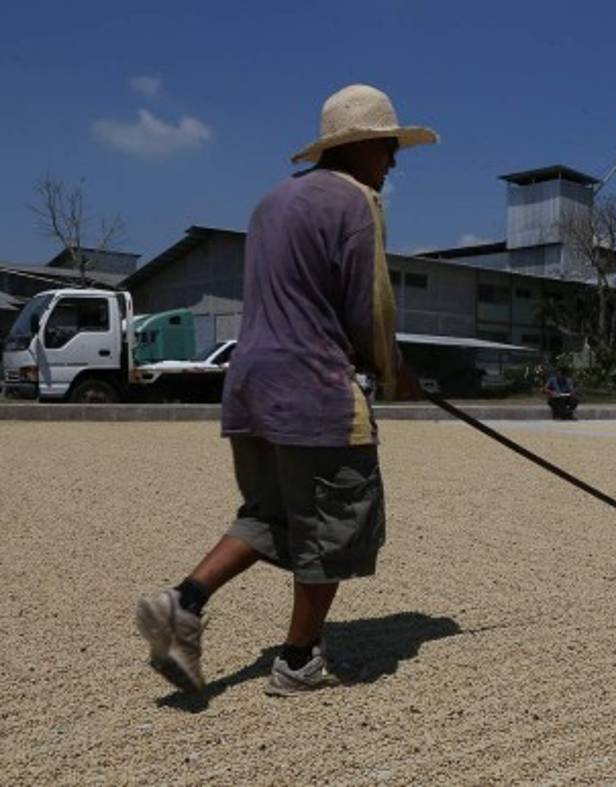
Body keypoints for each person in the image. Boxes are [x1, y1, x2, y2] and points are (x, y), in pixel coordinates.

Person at [135, 84, 437, 696]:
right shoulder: (358, 201)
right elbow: (369, 305)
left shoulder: (272, 202)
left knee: (269, 515)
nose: (393, 161)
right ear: (360, 146)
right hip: (314, 388)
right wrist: (393, 370)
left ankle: (182, 601)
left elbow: (299, 297)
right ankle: (298, 661)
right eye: (387, 147)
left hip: (250, 386)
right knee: (333, 524)